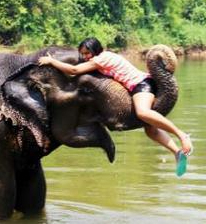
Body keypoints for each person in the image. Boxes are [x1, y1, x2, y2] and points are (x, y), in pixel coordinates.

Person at [38, 37, 193, 176]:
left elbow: (74, 70)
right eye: (82, 54)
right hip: (139, 85)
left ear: (95, 50)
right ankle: (177, 152)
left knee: (143, 113)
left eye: (87, 53)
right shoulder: (105, 56)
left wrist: (52, 62)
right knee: (150, 129)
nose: (85, 57)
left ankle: (182, 135)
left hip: (142, 85)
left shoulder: (101, 59)